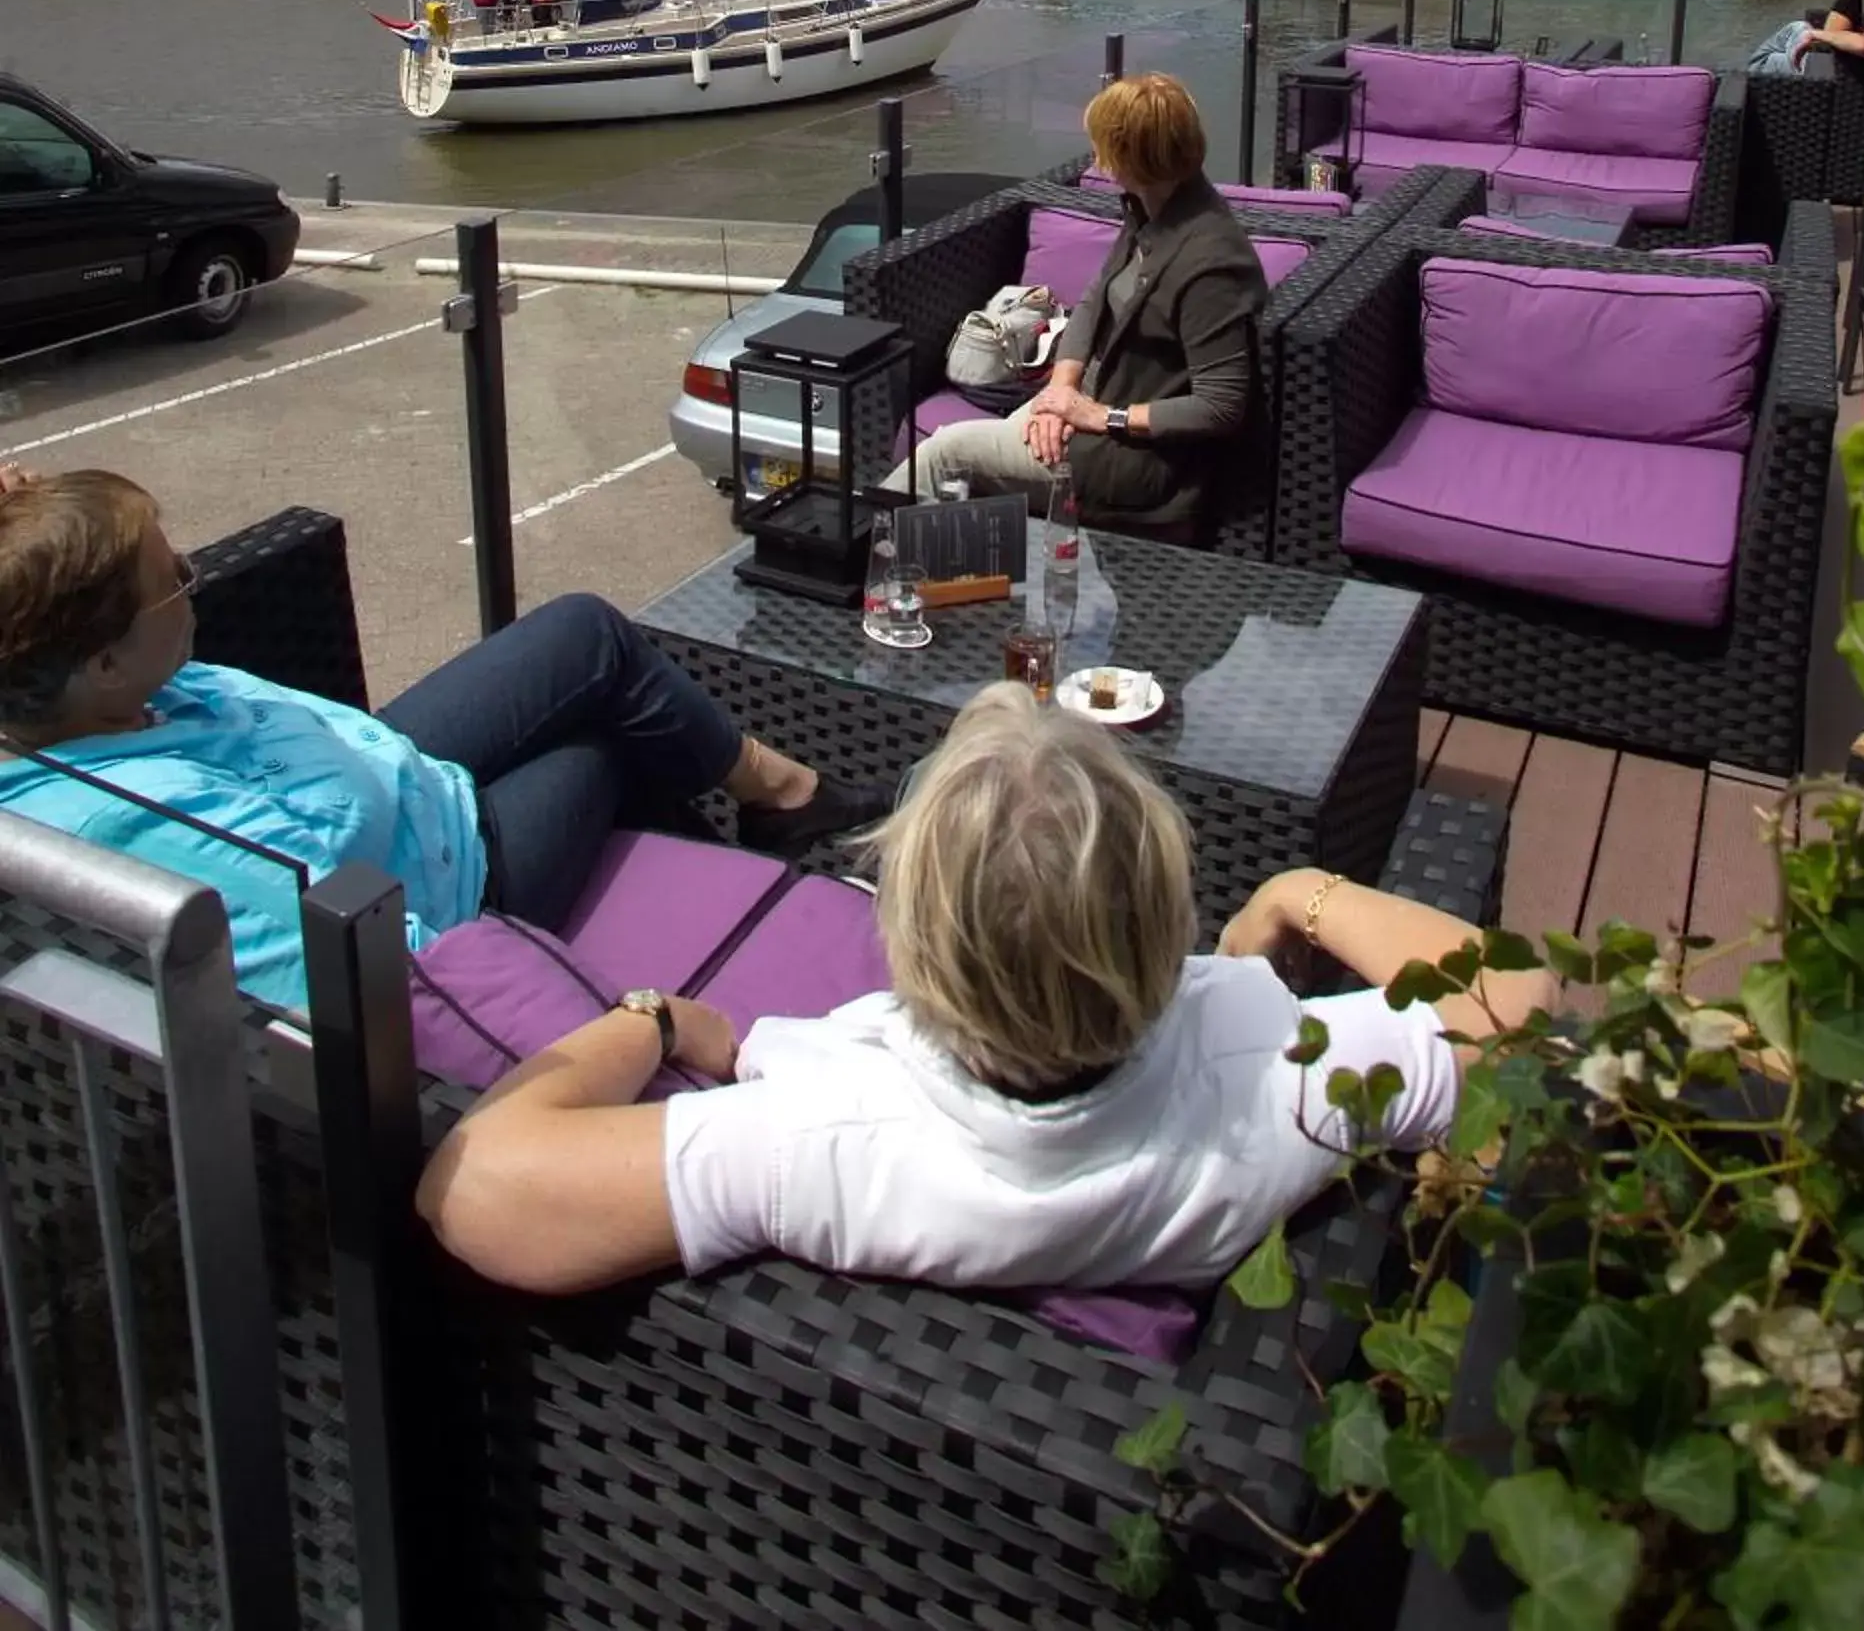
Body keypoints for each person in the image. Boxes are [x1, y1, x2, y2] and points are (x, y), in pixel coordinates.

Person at [416, 682, 1551, 1297]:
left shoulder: (815, 1141)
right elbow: (1519, 1004)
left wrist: (650, 1020)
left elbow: (473, 1193)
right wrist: (1303, 891)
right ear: (1163, 919)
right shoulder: (1280, 1076)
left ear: (909, 947)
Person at [0, 470, 885, 1015]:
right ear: (106, 658)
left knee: (587, 634)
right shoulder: (155, 828)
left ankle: (786, 802)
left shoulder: (88, 691)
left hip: (388, 780)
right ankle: (770, 866)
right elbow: (394, 976)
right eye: (174, 579)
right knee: (609, 740)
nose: (194, 583)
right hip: (457, 879)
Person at [910, 74, 1267, 531]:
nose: (1095, 156)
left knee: (944, 453)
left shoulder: (1209, 265)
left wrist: (1099, 416)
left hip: (1137, 458)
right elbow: (1095, 300)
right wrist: (1061, 389)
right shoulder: (1151, 212)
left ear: (1130, 156)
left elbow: (1221, 406)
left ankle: (873, 572)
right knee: (990, 442)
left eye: (1103, 144)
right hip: (1090, 396)